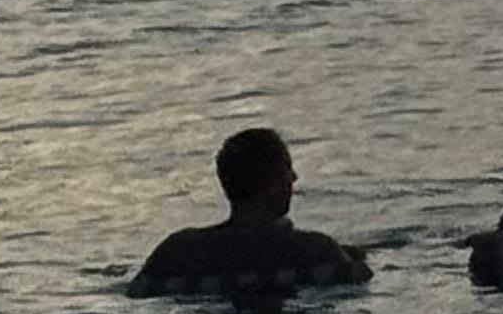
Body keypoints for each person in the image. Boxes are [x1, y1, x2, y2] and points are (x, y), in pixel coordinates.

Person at [130, 126, 373, 296]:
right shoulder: (317, 251)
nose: (294, 178)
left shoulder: (176, 252)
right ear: (273, 184)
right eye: (288, 170)